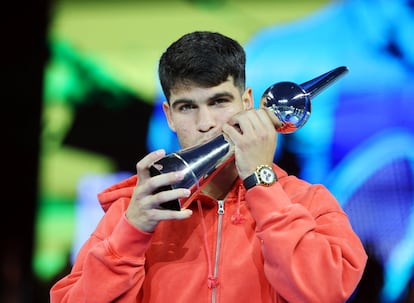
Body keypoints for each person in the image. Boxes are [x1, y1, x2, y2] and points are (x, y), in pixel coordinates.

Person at [50, 31, 367, 302]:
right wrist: (130, 236)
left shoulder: (307, 202)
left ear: (246, 103)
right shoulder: (133, 210)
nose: (205, 124)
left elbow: (325, 291)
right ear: (169, 116)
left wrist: (263, 183)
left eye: (219, 102)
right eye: (187, 107)